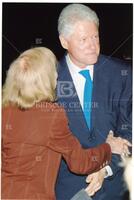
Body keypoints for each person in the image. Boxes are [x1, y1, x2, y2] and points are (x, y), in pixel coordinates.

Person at [2, 47, 130, 200]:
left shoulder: (5, 110)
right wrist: (110, 147)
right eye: (53, 71)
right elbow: (81, 163)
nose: (57, 75)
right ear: (44, 79)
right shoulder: (50, 115)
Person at [56, 3, 132, 200]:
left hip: (114, 188)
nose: (93, 45)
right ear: (64, 42)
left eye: (95, 37)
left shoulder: (121, 74)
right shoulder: (49, 80)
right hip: (66, 191)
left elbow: (130, 129)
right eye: (83, 39)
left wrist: (105, 168)